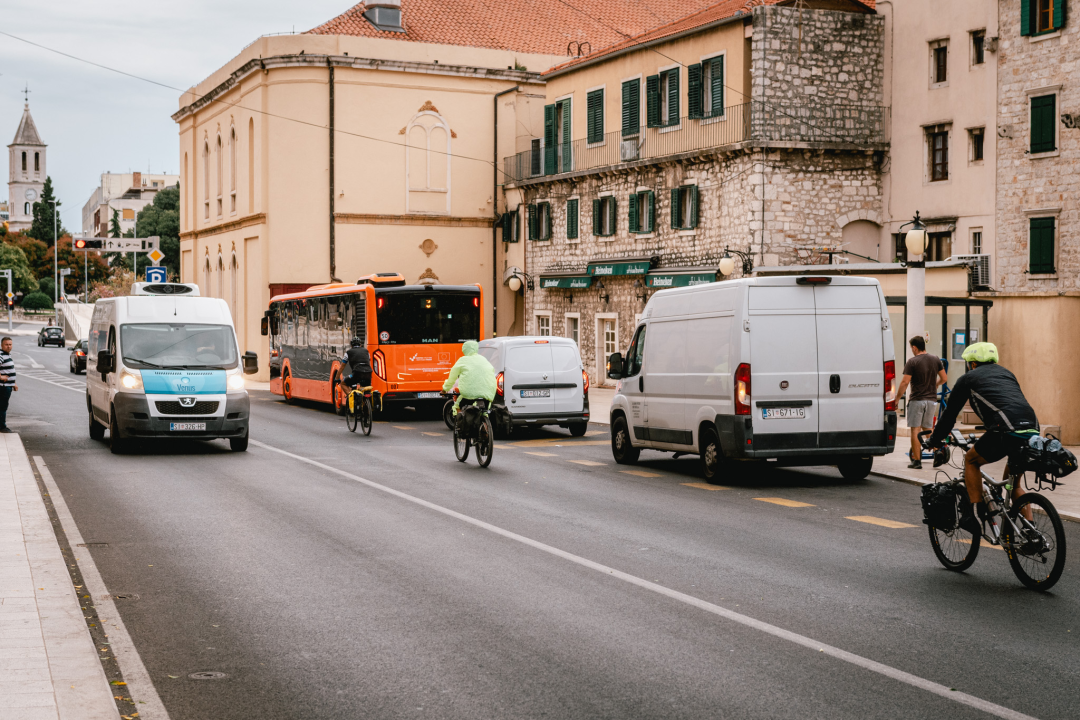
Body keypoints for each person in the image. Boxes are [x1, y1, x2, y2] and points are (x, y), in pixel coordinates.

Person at [925, 342, 1039, 535]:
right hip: (1031, 430)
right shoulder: (1007, 374)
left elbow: (950, 415)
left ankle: (973, 516)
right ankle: (1031, 531)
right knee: (1013, 484)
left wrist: (935, 440)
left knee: (971, 459)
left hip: (1005, 430)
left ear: (973, 364)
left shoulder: (968, 379)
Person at [895, 336, 948, 469]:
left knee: (915, 429)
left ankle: (917, 461)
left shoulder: (912, 362)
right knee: (928, 429)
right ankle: (937, 453)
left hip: (917, 400)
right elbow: (944, 378)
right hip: (931, 400)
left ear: (914, 347)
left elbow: (905, 382)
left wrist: (897, 400)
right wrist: (935, 385)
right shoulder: (935, 359)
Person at [441, 340, 496, 418]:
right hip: (489, 392)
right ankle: (485, 426)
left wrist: (445, 389)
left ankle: (461, 424)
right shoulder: (484, 359)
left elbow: (452, 377)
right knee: (484, 412)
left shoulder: (463, 360)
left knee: (457, 406)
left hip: (469, 393)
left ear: (465, 350)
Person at [0, 337, 18, 433]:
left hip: (7, 386)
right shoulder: (1, 354)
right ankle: (2, 427)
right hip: (3, 386)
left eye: (10, 344)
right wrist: (1, 377)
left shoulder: (7, 355)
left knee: (3, 406)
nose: (8, 346)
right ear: (1, 345)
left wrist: (13, 383)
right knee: (2, 406)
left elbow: (7, 370)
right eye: (6, 344)